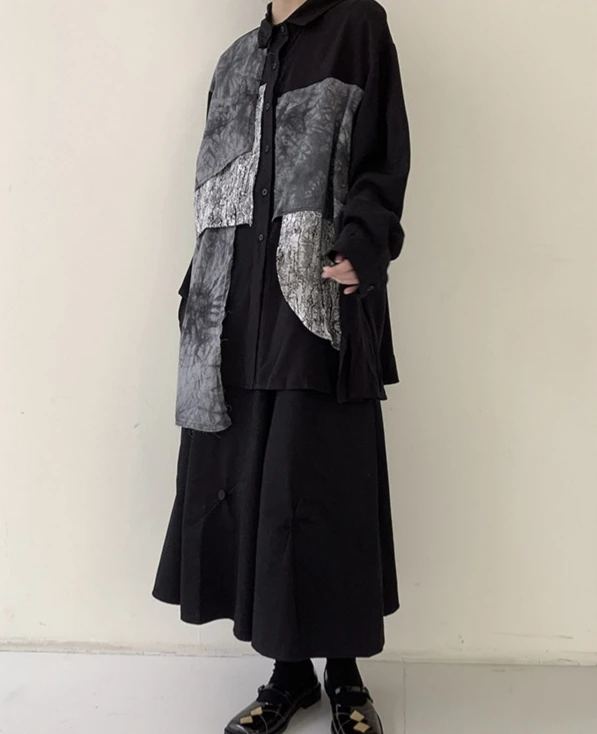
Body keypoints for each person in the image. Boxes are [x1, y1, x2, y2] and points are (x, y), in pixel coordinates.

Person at [153, 0, 410, 731]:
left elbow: (382, 155)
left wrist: (362, 242)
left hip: (314, 299)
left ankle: (346, 675)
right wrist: (198, 296)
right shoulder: (236, 58)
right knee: (252, 494)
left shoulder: (357, 25)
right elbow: (213, 189)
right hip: (228, 312)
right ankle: (287, 675)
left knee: (322, 488)